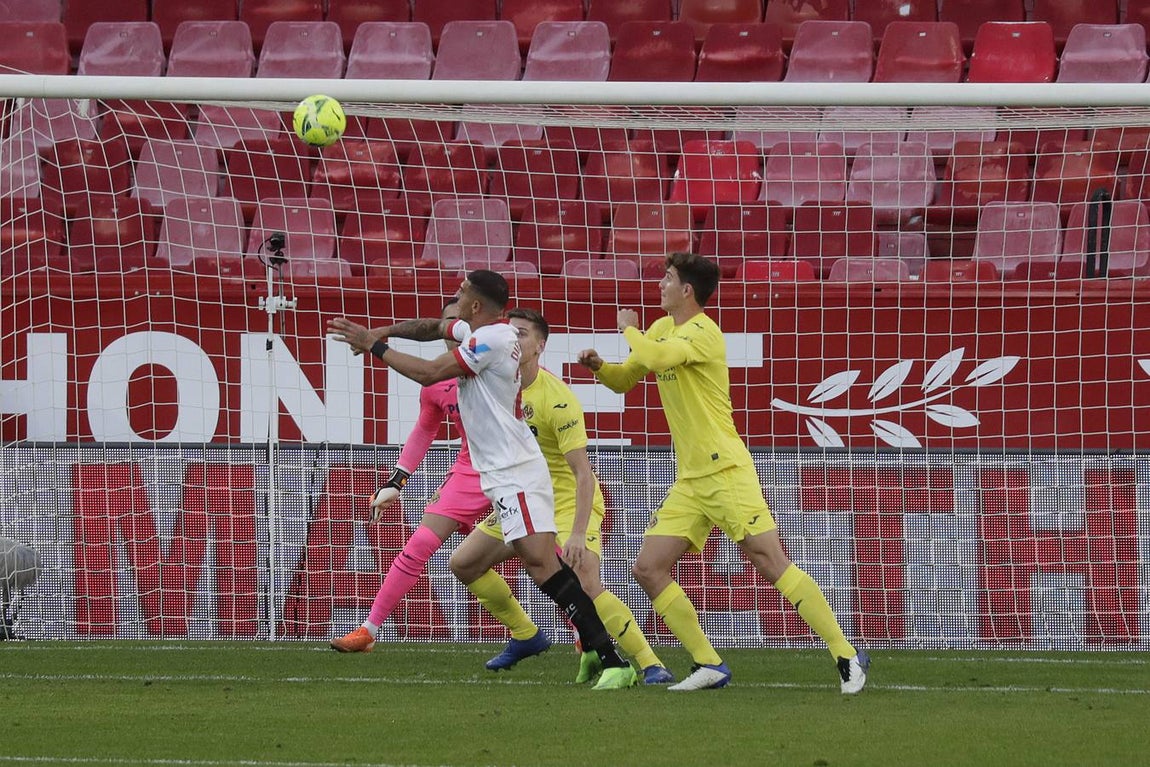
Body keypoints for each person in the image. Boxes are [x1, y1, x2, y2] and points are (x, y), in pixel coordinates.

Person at [328, 269, 637, 690]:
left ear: (475, 306)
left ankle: (614, 658)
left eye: (461, 294)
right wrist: (382, 329)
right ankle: (587, 650)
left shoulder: (492, 340)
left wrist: (374, 346)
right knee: (530, 568)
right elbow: (432, 327)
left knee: (546, 568)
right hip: (501, 474)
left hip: (515, 472)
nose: (455, 298)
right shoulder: (482, 330)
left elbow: (430, 372)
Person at [577, 251, 869, 693]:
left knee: (769, 560)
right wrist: (601, 367)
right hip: (691, 478)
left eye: (668, 279)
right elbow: (626, 379)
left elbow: (655, 359)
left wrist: (627, 328)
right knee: (648, 568)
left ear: (687, 290)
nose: (660, 285)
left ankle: (845, 654)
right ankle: (708, 662)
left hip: (725, 470)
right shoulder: (659, 329)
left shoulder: (703, 333)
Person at [448, 307, 675, 686]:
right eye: (509, 332)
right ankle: (526, 634)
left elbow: (583, 473)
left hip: (567, 499)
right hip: (523, 495)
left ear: (539, 346)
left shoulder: (557, 398)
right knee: (464, 563)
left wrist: (575, 533)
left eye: (522, 334)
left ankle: (650, 663)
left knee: (585, 578)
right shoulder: (496, 383)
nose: (513, 339)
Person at [329, 299, 494, 653]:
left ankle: (581, 635)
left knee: (543, 554)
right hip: (470, 470)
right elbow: (424, 431)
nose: (453, 328)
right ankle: (369, 630)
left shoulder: (499, 361)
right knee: (419, 543)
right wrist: (396, 481)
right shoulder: (437, 382)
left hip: (515, 468)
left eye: (460, 319)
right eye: (448, 322)